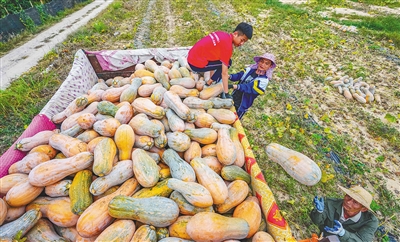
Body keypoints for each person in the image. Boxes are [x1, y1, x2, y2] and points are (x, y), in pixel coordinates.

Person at [187, 22, 253, 99]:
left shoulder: (222, 34)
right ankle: (210, 83)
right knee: (228, 63)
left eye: (244, 42)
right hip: (194, 64)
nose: (242, 43)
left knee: (223, 61)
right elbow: (224, 73)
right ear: (235, 34)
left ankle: (210, 81)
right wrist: (226, 92)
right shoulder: (227, 47)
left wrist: (212, 76)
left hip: (191, 56)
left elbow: (213, 55)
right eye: (242, 40)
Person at [310, 185, 379, 242]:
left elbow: (363, 240)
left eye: (355, 202)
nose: (348, 202)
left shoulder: (370, 221)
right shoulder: (331, 203)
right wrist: (319, 212)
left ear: (363, 209)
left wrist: (343, 233)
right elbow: (316, 221)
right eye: (348, 196)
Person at [227, 53, 276, 119]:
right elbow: (239, 75)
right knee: (226, 113)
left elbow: (249, 87)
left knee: (234, 120)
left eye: (266, 63)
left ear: (270, 66)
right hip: (233, 97)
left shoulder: (264, 81)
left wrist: (234, 86)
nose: (262, 64)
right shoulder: (249, 70)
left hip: (242, 104)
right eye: (261, 61)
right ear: (258, 61)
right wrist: (229, 76)